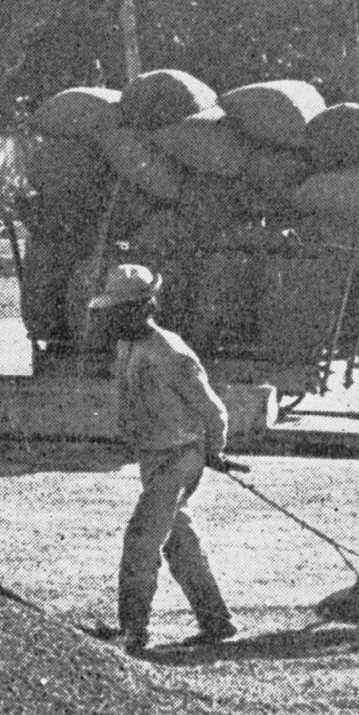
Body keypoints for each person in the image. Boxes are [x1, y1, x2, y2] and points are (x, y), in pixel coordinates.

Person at [89, 263, 240, 656]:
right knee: (179, 541)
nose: (110, 319)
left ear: (144, 308)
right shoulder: (127, 347)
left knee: (141, 539)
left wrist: (213, 452)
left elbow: (214, 412)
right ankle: (217, 620)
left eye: (118, 311)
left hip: (179, 456)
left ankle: (133, 632)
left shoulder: (171, 353)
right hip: (153, 456)